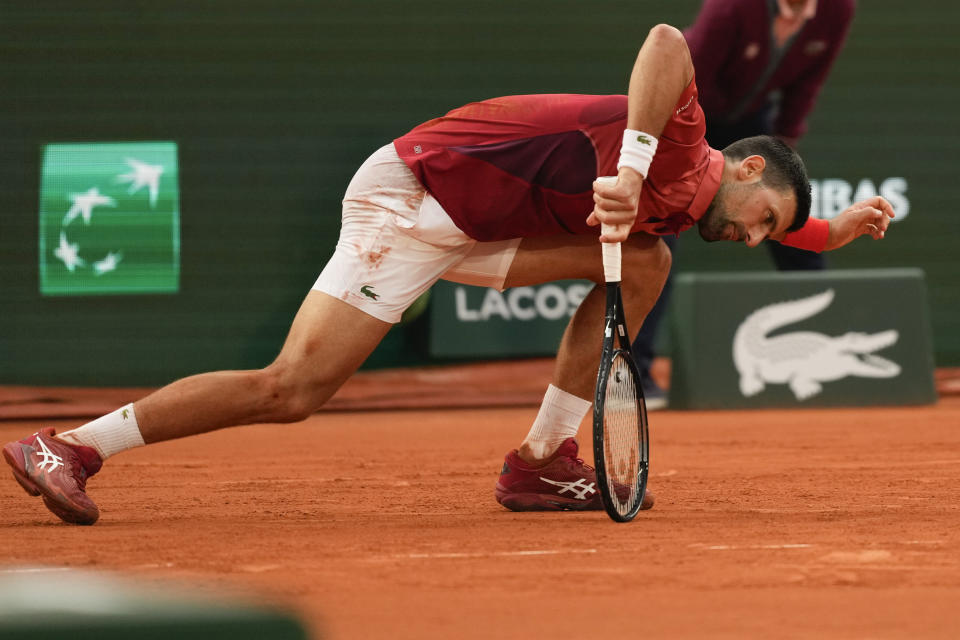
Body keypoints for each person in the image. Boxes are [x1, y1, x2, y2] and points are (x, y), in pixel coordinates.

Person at [3, 24, 892, 525]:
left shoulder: (692, 212)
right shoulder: (688, 150)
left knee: (648, 260)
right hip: (415, 197)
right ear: (739, 169)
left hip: (483, 226)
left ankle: (542, 462)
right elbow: (666, 42)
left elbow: (769, 226)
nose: (755, 239)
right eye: (764, 219)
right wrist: (628, 167)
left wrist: (829, 231)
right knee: (292, 389)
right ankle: (72, 446)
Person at [633, 0, 857, 408]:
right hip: (687, 118)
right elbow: (690, 72)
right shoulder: (733, 7)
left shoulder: (837, 10)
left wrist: (785, 143)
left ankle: (832, 360)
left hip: (753, 123)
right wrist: (695, 152)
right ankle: (636, 376)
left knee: (788, 214)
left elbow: (809, 79)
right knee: (658, 245)